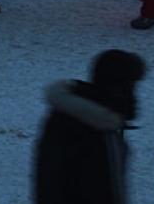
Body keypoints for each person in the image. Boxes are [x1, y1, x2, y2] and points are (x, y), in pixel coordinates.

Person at [33, 49, 146, 204]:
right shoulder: (96, 128)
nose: (134, 94)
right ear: (119, 87)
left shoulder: (72, 117)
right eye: (132, 85)